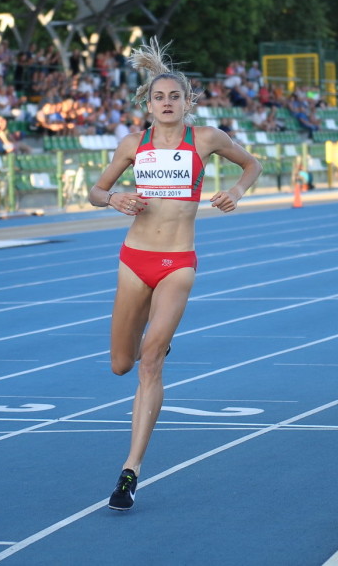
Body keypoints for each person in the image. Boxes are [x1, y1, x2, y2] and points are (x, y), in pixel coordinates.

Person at [87, 40, 261, 512]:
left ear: (188, 103)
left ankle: (130, 471)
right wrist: (116, 200)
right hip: (134, 259)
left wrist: (237, 191)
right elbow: (95, 192)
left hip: (177, 263)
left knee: (148, 361)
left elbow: (252, 164)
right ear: (148, 103)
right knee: (120, 364)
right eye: (159, 98)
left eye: (175, 97)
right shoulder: (132, 143)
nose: (167, 103)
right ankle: (154, 339)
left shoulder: (205, 139)